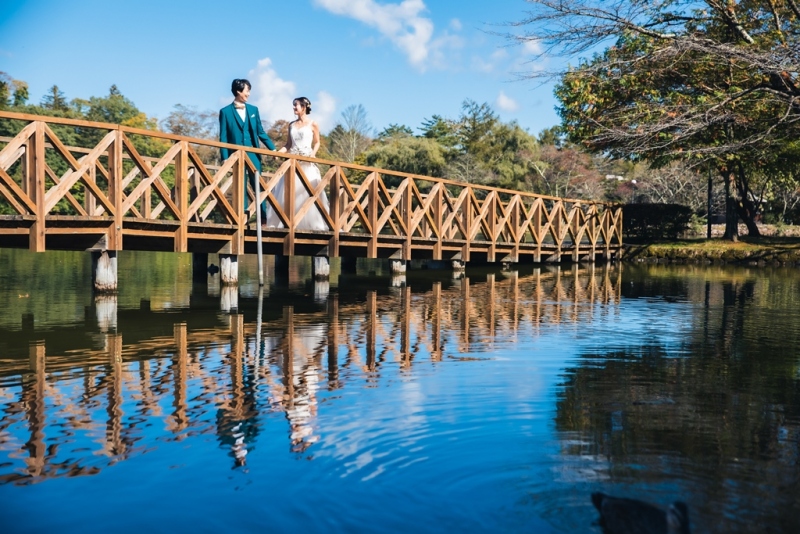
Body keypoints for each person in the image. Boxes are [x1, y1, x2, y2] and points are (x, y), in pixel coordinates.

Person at [264, 96, 330, 230]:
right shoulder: (291, 125)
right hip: (293, 163)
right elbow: (288, 144)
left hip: (307, 162)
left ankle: (312, 224)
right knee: (289, 193)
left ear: (304, 107)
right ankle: (287, 222)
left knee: (307, 193)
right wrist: (279, 153)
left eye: (296, 105)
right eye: (293, 105)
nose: (294, 108)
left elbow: (317, 142)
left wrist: (313, 154)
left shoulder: (313, 124)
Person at [219, 78, 275, 222]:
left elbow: (260, 132)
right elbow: (223, 137)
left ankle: (263, 218)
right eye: (247, 90)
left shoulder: (254, 110)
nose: (249, 94)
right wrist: (225, 157)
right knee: (240, 185)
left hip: (253, 154)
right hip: (236, 155)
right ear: (238, 91)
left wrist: (272, 149)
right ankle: (242, 217)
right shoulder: (225, 112)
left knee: (259, 185)